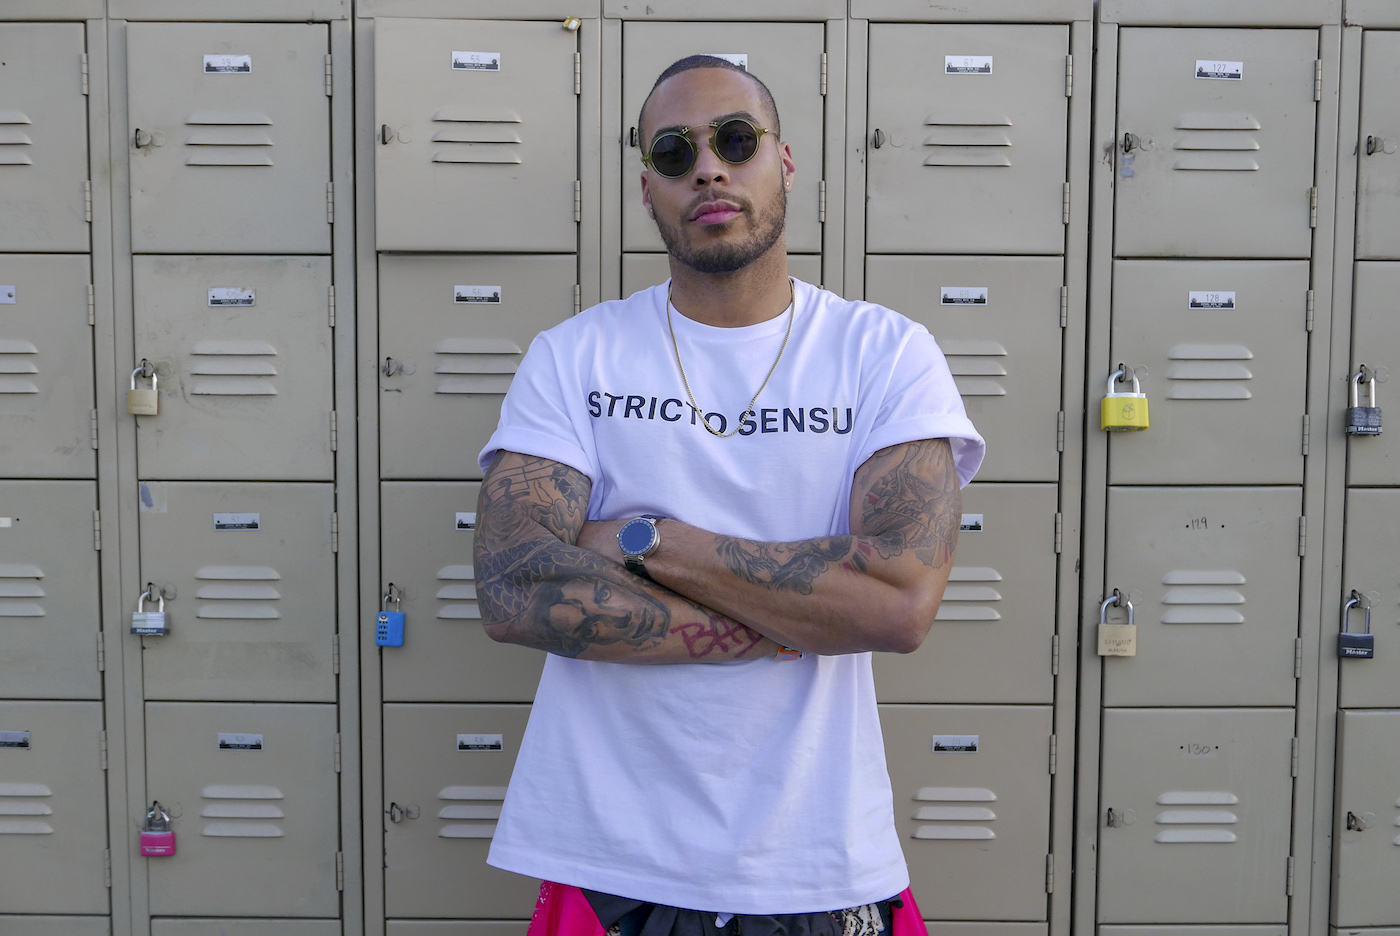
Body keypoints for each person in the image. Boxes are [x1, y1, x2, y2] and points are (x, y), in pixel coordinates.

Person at [473, 54, 984, 936]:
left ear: (783, 160)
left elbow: (898, 603)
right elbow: (514, 588)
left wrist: (642, 538)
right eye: (675, 153)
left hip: (817, 859)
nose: (708, 169)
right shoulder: (575, 356)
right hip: (608, 862)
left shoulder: (885, 355)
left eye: (735, 140)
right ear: (648, 189)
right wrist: (802, 619)